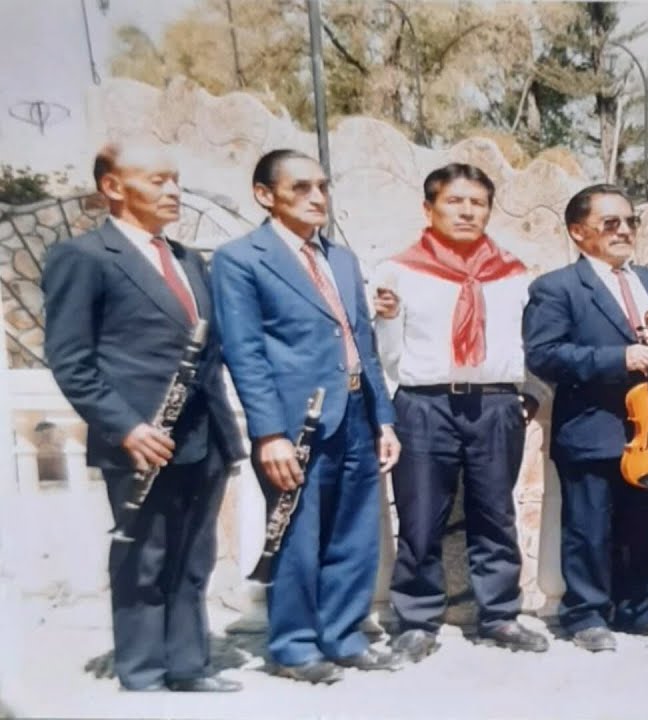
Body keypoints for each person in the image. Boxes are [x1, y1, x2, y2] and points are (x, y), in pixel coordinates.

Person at [42, 141, 245, 692]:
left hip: (205, 435)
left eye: (175, 179)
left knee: (192, 556)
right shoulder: (82, 258)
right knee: (143, 555)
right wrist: (127, 427)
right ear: (113, 187)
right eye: (157, 180)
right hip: (139, 438)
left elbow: (211, 351)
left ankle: (186, 665)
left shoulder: (186, 259)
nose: (173, 190)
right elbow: (71, 360)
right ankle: (142, 670)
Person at [211, 149, 401, 684]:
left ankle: (343, 634)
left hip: (357, 414)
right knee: (295, 534)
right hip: (296, 423)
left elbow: (360, 340)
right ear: (265, 195)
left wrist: (383, 419)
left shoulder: (340, 259)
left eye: (322, 186)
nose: (317, 198)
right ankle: (294, 646)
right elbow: (244, 351)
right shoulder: (241, 259)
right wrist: (268, 433)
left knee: (355, 533)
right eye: (301, 188)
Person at [373, 163, 550, 658]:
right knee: (420, 515)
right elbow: (387, 352)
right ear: (428, 209)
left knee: (495, 513)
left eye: (478, 202)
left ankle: (499, 615)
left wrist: (528, 394)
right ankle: (416, 619)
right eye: (455, 201)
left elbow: (529, 341)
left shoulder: (513, 272)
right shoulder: (399, 270)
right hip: (424, 403)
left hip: (494, 403)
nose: (468, 211)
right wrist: (384, 322)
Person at [523, 184, 648, 652]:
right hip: (591, 426)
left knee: (647, 523)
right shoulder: (556, 287)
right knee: (588, 528)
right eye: (610, 223)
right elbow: (544, 354)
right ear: (579, 232)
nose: (624, 230)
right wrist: (617, 358)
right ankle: (586, 614)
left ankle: (638, 606)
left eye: (630, 221)